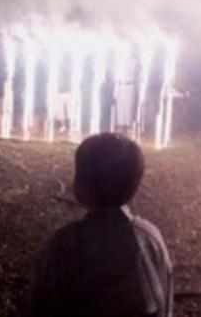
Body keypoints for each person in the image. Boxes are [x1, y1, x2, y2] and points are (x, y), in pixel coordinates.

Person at [27, 133, 173, 317]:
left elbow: (40, 305)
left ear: (81, 187)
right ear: (133, 185)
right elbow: (165, 304)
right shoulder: (151, 239)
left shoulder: (64, 245)